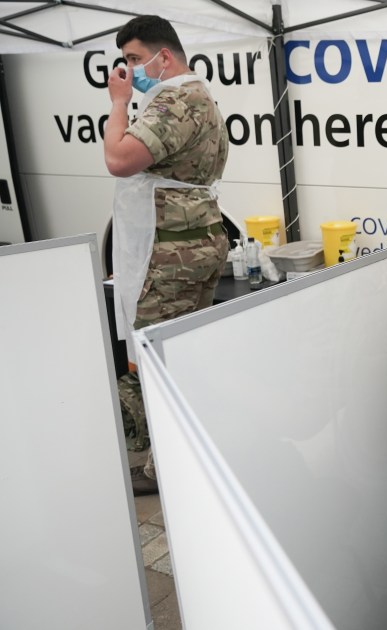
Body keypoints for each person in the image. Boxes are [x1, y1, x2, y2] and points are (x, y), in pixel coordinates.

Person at [104, 15, 229, 495]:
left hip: (171, 254)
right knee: (183, 355)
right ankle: (184, 453)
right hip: (186, 243)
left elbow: (119, 160)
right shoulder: (196, 97)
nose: (129, 70)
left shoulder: (177, 99)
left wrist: (119, 105)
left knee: (157, 360)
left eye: (135, 59)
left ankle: (163, 469)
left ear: (165, 57)